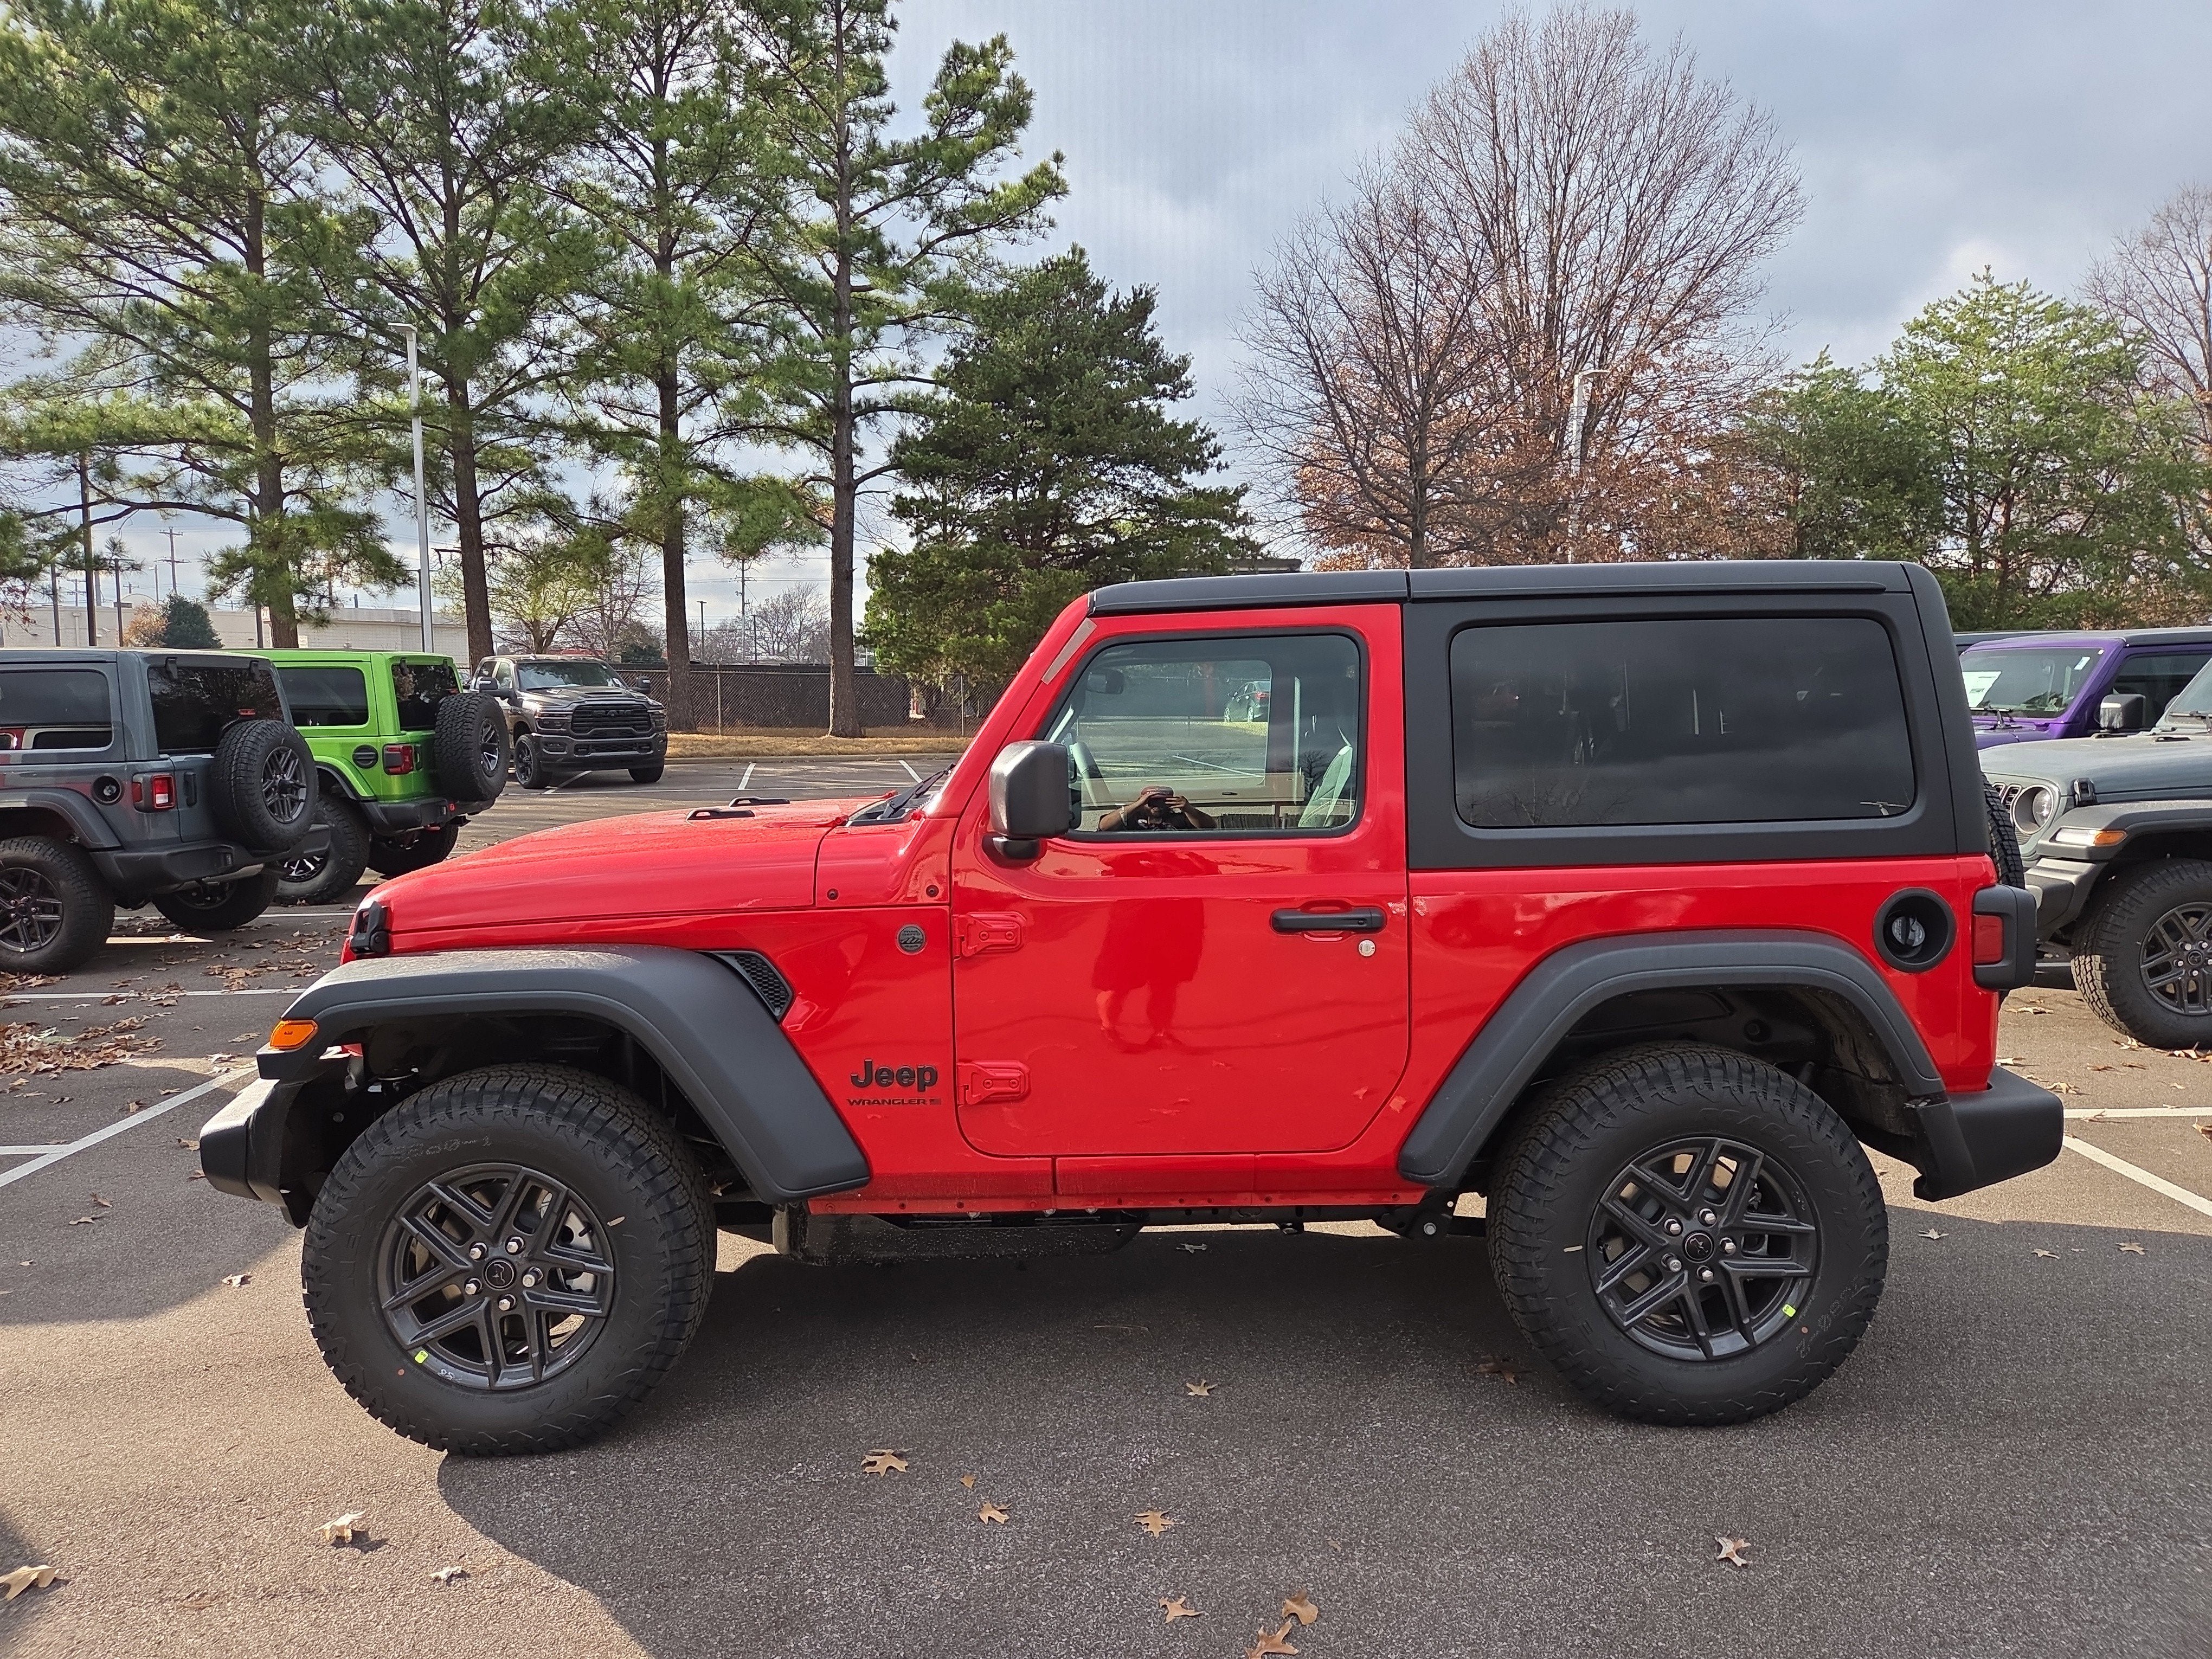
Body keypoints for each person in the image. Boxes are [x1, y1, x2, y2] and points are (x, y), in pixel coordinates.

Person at [1097, 785, 1217, 832]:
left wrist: (1189, 809)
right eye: (1152, 801)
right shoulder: (1131, 818)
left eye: (1162, 801)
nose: (1157, 805)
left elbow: (1211, 827)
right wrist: (1136, 805)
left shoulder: (1181, 819)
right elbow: (1104, 826)